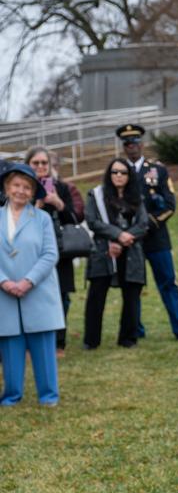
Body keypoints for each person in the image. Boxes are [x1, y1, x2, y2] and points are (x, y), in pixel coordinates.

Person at [0, 162, 64, 406]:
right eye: (16, 185)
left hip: (37, 290)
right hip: (4, 294)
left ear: (33, 192)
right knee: (10, 345)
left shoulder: (42, 218)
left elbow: (50, 254)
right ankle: (11, 395)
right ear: (7, 188)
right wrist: (5, 282)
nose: (21, 191)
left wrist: (27, 281)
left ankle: (48, 395)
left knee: (43, 346)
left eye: (27, 187)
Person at [117, 124, 178, 341]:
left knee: (168, 282)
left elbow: (169, 204)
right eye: (128, 143)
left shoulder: (157, 169)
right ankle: (135, 329)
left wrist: (148, 223)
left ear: (142, 143)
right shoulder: (117, 171)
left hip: (156, 237)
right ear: (124, 146)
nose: (132, 147)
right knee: (133, 286)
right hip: (130, 239)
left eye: (135, 142)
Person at [26, 146, 85, 357]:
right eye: (36, 163)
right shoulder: (22, 187)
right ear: (28, 165)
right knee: (31, 297)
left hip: (60, 250)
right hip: (30, 252)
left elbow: (76, 218)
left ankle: (58, 343)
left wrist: (59, 203)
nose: (41, 167)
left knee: (61, 297)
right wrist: (39, 204)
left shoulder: (61, 187)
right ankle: (30, 344)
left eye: (44, 163)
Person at [84, 158, 148, 349]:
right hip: (103, 251)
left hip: (131, 251)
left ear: (129, 176)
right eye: (114, 172)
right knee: (96, 296)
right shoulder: (96, 195)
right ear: (109, 175)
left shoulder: (137, 197)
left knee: (132, 296)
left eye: (123, 172)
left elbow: (143, 224)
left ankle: (128, 338)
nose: (119, 176)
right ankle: (91, 340)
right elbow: (92, 221)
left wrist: (126, 237)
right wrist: (118, 235)